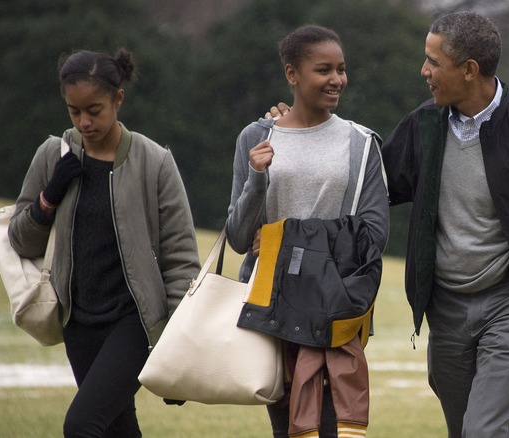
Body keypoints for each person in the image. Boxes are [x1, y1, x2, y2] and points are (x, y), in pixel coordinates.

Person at [267, 10, 509, 438]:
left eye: (433, 62)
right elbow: (367, 190)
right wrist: (296, 132)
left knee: (484, 432)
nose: (424, 71)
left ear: (469, 70)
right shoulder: (424, 126)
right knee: (463, 430)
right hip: (447, 310)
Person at [8, 48, 201, 437]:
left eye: (94, 110)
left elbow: (181, 260)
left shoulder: (155, 162)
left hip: (135, 324)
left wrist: (174, 347)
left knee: (82, 425)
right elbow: (21, 241)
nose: (84, 122)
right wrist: (50, 196)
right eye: (74, 111)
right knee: (117, 429)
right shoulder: (52, 155)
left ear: (118, 99)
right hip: (77, 323)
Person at [226, 25, 389, 438]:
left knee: (333, 427)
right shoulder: (255, 137)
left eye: (341, 69)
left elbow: (373, 235)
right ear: (292, 74)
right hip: (270, 305)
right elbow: (240, 238)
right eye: (323, 70)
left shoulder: (362, 143)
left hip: (334, 305)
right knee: (287, 429)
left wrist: (282, 240)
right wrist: (257, 179)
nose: (336, 80)